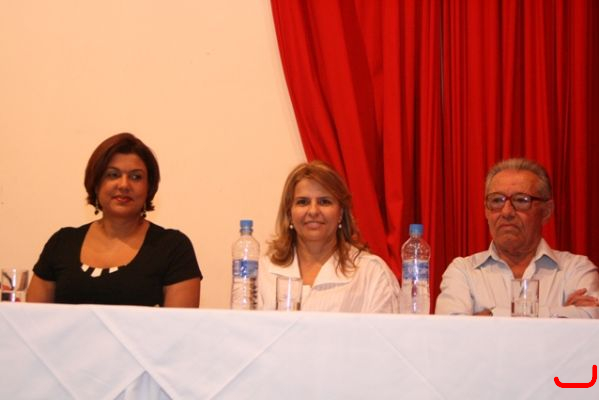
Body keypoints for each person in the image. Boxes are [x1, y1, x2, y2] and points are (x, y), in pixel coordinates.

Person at [27, 133, 202, 307]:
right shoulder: (62, 243)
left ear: (149, 187)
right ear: (96, 183)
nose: (124, 185)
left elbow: (179, 324)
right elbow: (32, 319)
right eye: (112, 175)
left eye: (136, 177)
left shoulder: (172, 248)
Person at [435, 158, 599, 318]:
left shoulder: (576, 269)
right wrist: (563, 313)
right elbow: (450, 331)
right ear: (486, 210)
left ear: (547, 211)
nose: (507, 212)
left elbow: (591, 315)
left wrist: (490, 316)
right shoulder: (463, 271)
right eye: (497, 200)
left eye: (521, 200)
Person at [258, 161, 400, 312]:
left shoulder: (372, 273)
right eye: (303, 202)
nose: (313, 211)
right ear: (289, 213)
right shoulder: (263, 272)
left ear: (341, 213)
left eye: (324, 202)